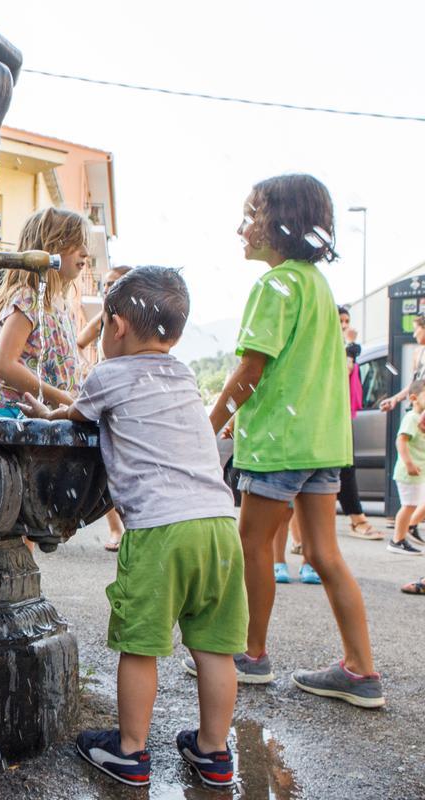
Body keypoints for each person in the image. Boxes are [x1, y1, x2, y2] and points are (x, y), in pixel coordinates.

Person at [20, 267, 246, 789]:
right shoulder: (185, 375)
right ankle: (214, 753)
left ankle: (130, 751)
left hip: (161, 532)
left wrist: (43, 410)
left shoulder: (108, 376)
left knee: (140, 646)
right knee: (214, 647)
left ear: (115, 325)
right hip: (218, 525)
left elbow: (73, 416)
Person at [203, 173, 383, 708]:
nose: (242, 227)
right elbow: (296, 371)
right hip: (322, 442)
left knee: (253, 544)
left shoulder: (274, 284)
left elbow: (251, 370)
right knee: (325, 553)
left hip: (280, 444)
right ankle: (361, 669)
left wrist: (207, 426)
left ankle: (251, 655)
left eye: (250, 215)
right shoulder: (317, 285)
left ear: (281, 225)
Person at [0, 207, 90, 417]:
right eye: (75, 243)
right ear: (47, 248)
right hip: (8, 411)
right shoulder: (28, 298)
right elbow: (3, 364)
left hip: (35, 414)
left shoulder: (62, 305)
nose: (85, 251)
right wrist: (60, 397)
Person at [76, 264, 133, 551]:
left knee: (122, 461)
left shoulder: (139, 319)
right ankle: (116, 528)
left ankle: (128, 526)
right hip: (104, 390)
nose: (108, 289)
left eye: (114, 283)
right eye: (106, 284)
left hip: (124, 393)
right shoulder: (104, 317)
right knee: (108, 459)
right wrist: (89, 367)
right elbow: (80, 341)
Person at [336, 305, 380, 539]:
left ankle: (357, 517)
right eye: (340, 321)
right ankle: (356, 518)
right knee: (343, 467)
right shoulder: (339, 349)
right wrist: (350, 349)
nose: (345, 326)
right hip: (329, 415)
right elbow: (343, 372)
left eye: (347, 321)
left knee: (344, 467)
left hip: (341, 414)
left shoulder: (344, 348)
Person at [389, 379, 425, 555]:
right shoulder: (411, 418)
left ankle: (403, 536)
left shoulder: (420, 419)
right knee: (408, 506)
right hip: (409, 472)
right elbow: (400, 441)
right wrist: (409, 463)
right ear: (413, 398)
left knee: (412, 505)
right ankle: (397, 540)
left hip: (418, 473)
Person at [379, 315, 425, 412]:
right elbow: (414, 385)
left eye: (416, 329)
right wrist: (395, 398)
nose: (414, 335)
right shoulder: (418, 353)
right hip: (417, 411)